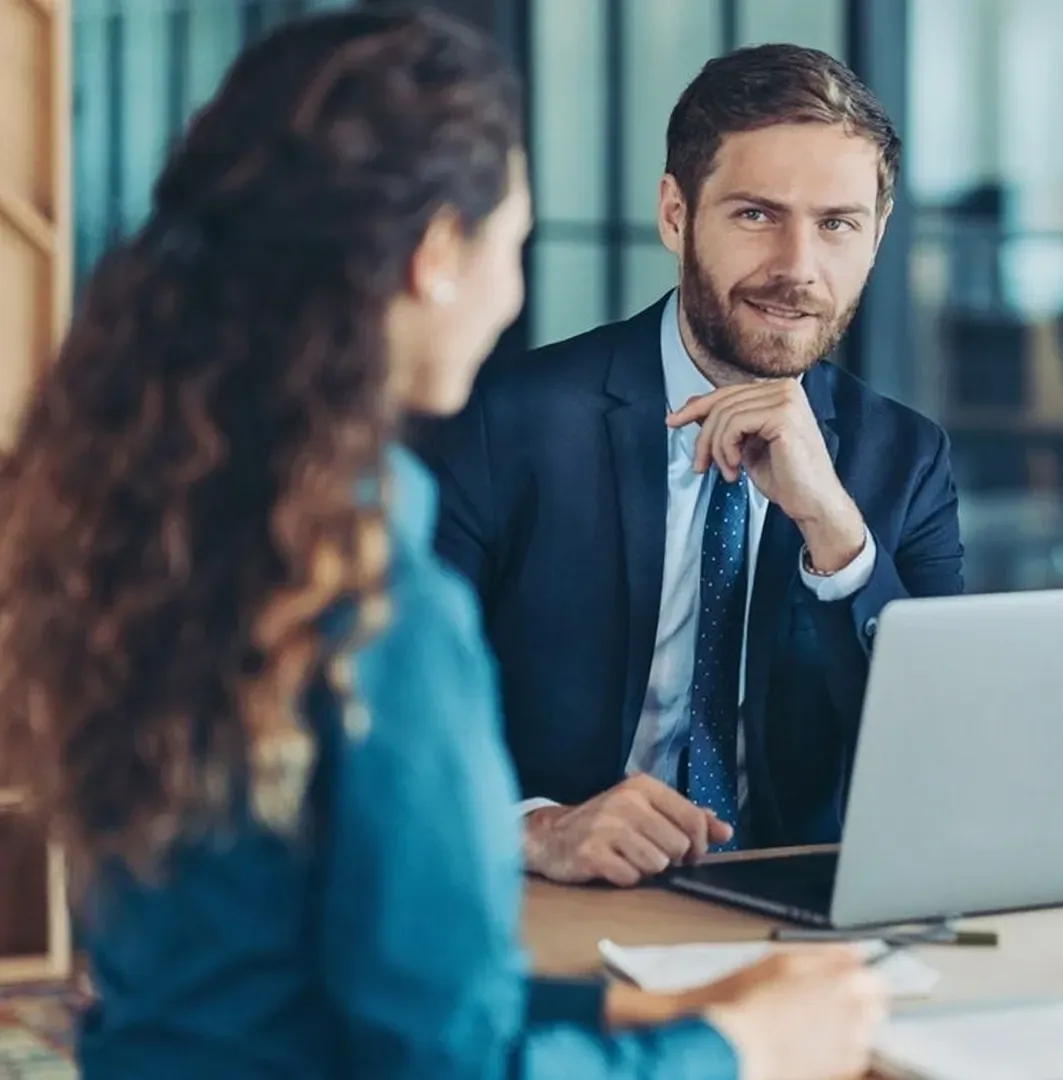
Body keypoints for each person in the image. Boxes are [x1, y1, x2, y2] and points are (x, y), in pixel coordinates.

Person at [0, 10, 883, 1079]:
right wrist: (741, 1049)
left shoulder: (180, 514)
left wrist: (634, 1012)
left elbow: (324, 978)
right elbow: (448, 1064)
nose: (512, 292)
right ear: (435, 260)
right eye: (510, 245)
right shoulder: (370, 594)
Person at [415, 44, 964, 886]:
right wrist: (533, 829)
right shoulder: (500, 423)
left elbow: (939, 755)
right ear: (676, 213)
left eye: (837, 224)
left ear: (878, 233)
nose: (797, 268)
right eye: (755, 215)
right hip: (553, 899)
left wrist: (836, 533)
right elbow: (384, 724)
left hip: (792, 912)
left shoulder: (906, 459)